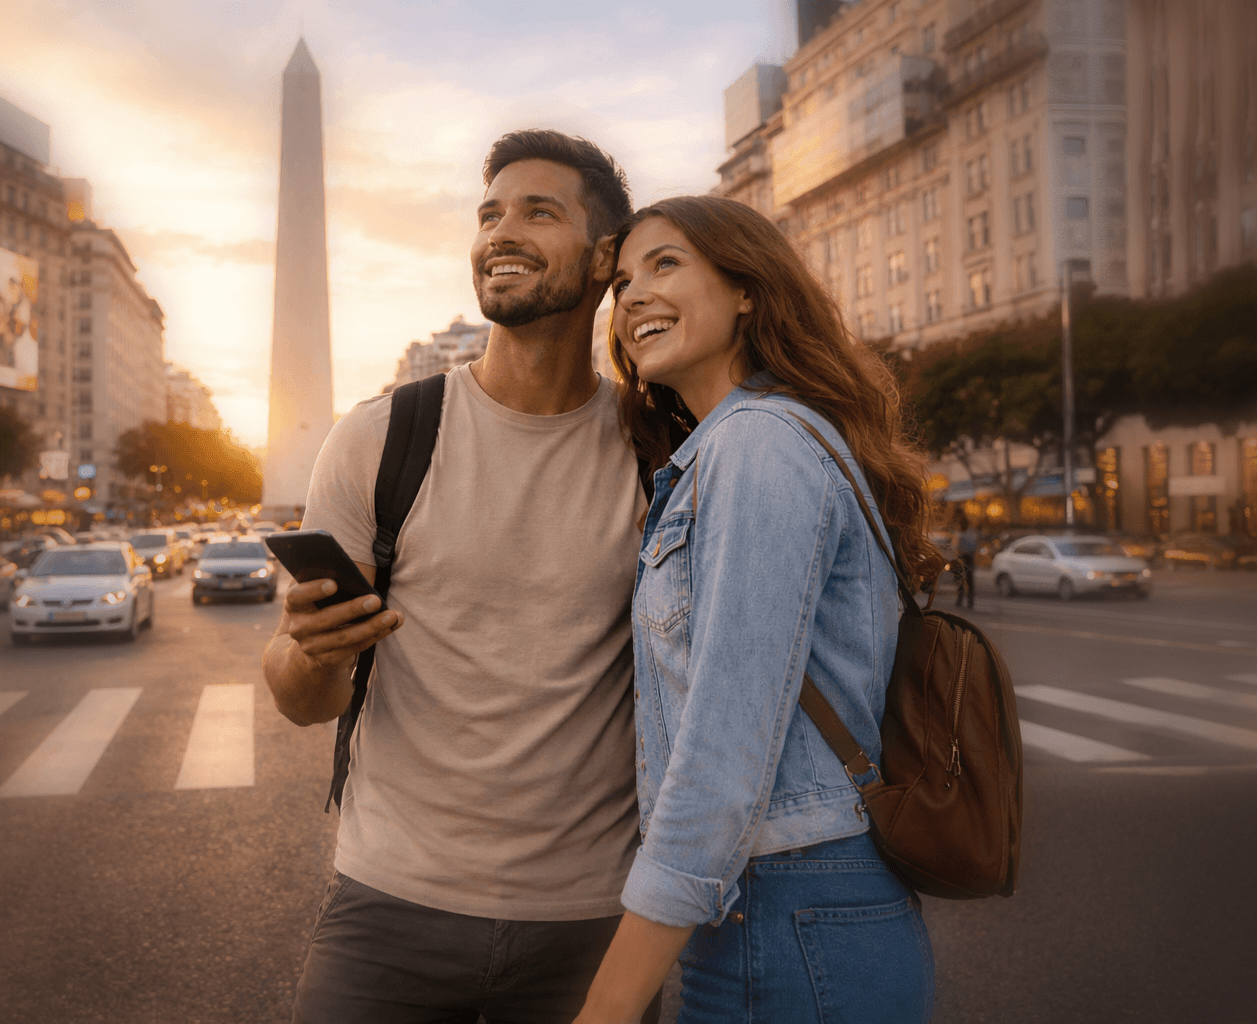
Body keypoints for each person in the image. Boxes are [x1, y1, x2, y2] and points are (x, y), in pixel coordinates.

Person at [263, 130, 658, 1024]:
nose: (500, 232)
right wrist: (311, 651)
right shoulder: (378, 439)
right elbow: (301, 700)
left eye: (537, 212)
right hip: (388, 909)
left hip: (594, 918)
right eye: (488, 214)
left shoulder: (657, 447)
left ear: (605, 258)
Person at [572, 195, 939, 1024]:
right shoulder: (750, 443)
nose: (630, 297)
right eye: (622, 281)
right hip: (794, 905)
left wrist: (610, 1002)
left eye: (665, 264)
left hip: (783, 905)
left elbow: (723, 746)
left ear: (747, 288)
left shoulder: (756, 444)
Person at [954, 515, 982, 609]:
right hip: (970, 558)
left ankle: (959, 599)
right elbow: (974, 548)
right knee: (970, 581)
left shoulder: (960, 535)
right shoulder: (971, 535)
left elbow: (956, 548)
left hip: (962, 558)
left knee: (961, 580)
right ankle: (970, 601)